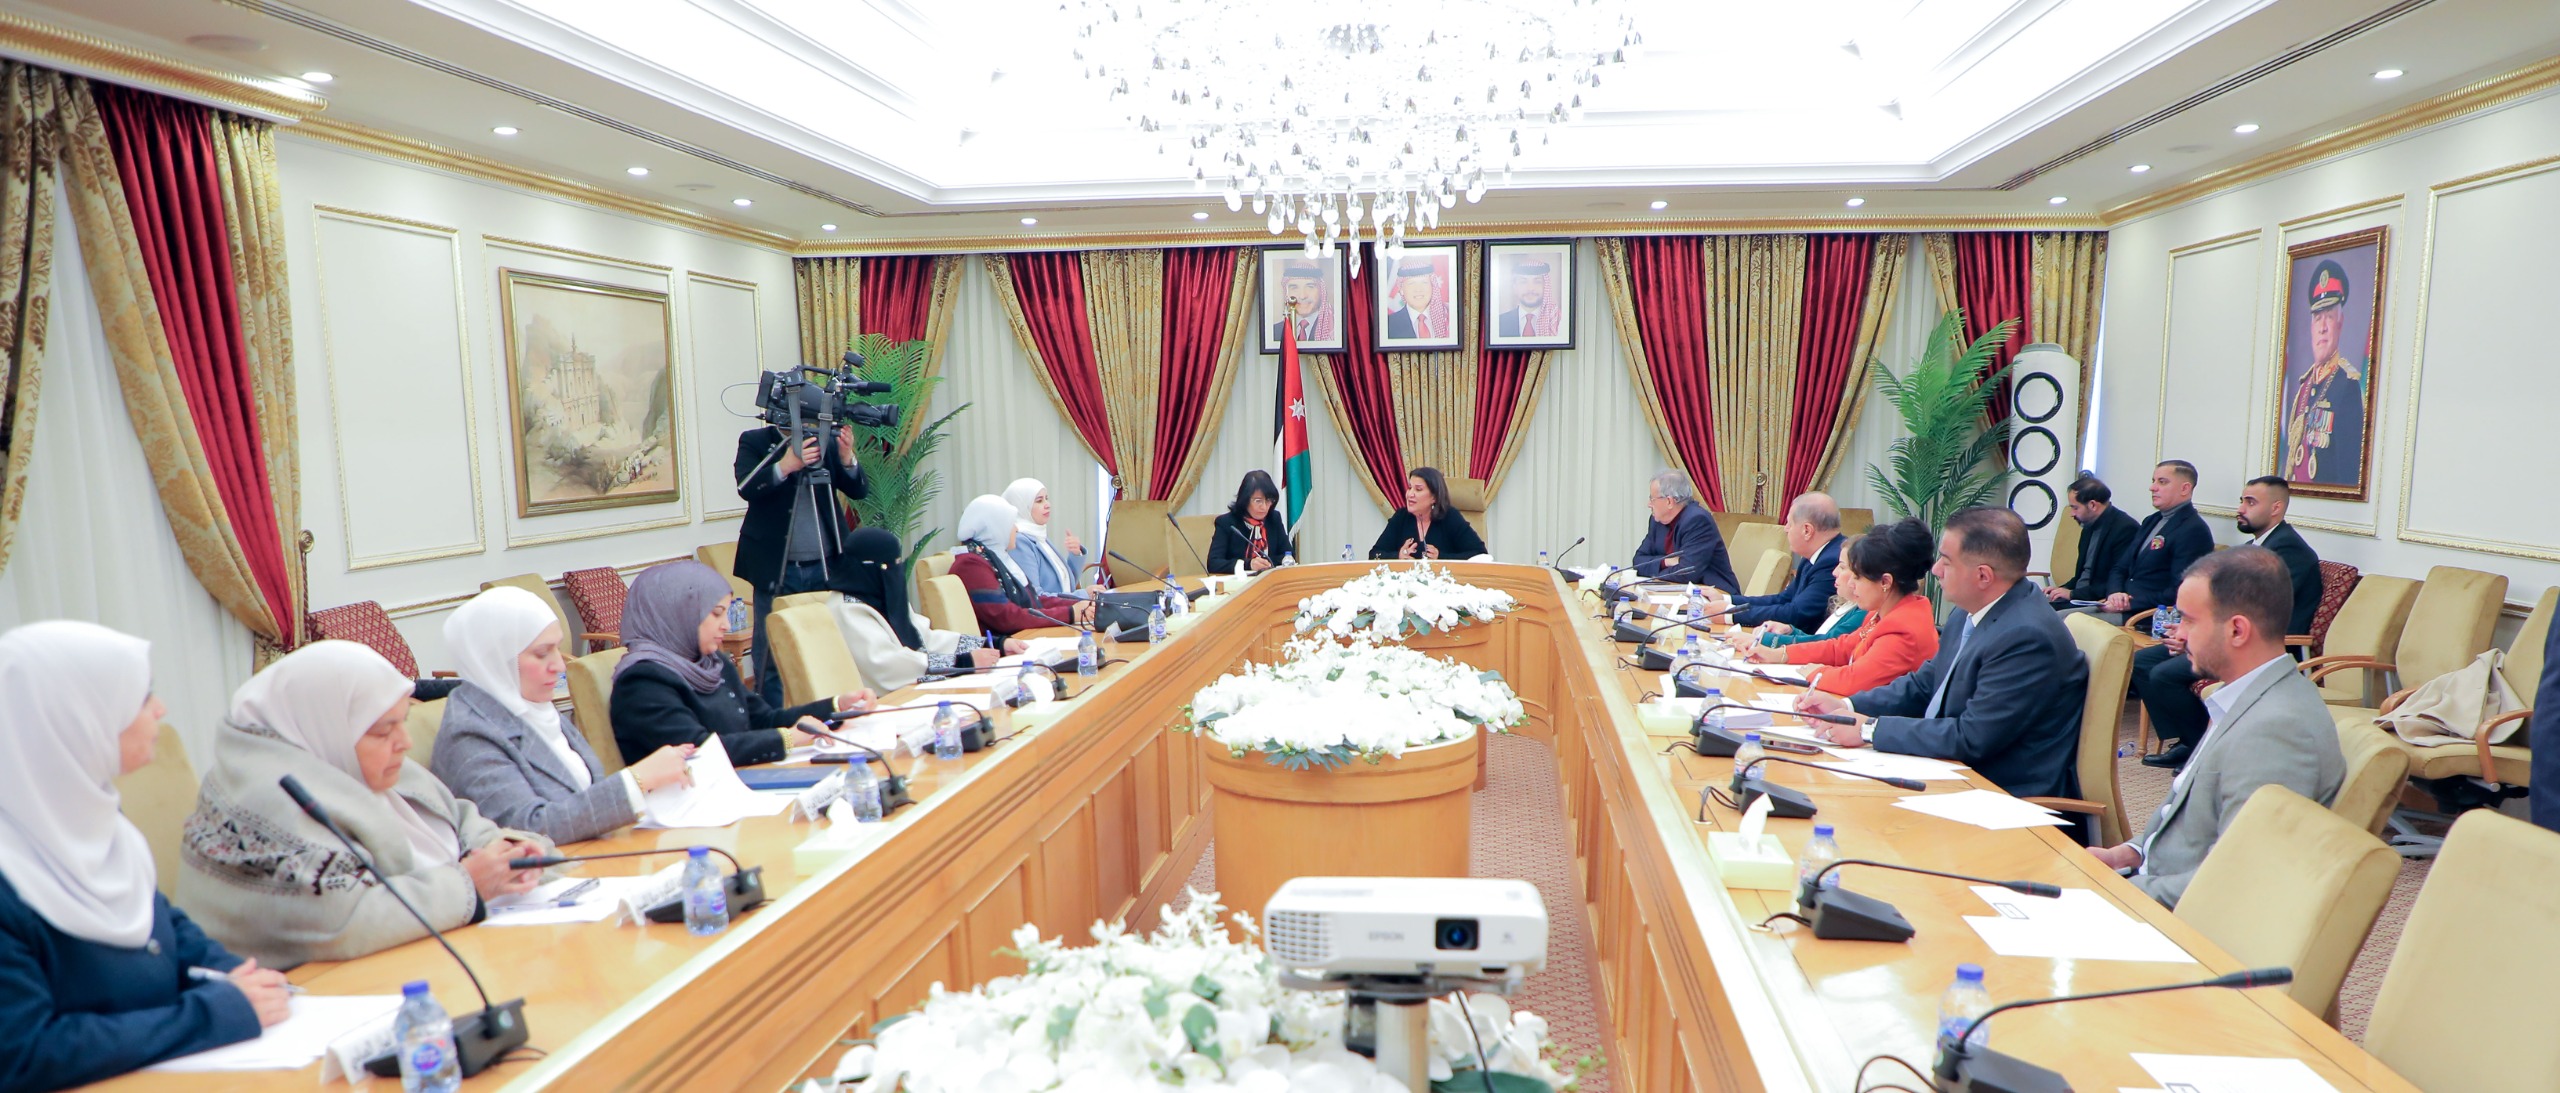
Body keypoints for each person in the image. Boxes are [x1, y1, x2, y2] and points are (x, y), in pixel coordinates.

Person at [0, 622, 293, 1091]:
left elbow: (164, 929)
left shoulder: (94, 821)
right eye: (142, 697)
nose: (161, 709)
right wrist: (213, 1014)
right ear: (74, 719)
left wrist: (237, 977)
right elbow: (25, 1054)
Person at [179, 641, 549, 968]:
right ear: (326, 725)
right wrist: (469, 884)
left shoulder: (353, 761)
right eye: (384, 730)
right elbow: (341, 922)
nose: (404, 741)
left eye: (402, 722)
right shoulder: (269, 799)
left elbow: (458, 818)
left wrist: (506, 852)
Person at [2091, 547, 2345, 908]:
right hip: (2150, 884)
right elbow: (2187, 815)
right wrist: (2128, 853)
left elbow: (2235, 878)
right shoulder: (2244, 696)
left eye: (2188, 620)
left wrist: (2112, 893)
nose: (2178, 633)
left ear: (2237, 630)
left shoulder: (2277, 729)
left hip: (2177, 922)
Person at [1799, 507, 2090, 800]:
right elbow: (1925, 684)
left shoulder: (2027, 636)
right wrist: (1846, 706)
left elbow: (1972, 736)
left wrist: (1870, 730)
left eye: (1946, 561)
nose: (1935, 569)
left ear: (1983, 576)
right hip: (1952, 770)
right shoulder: (1967, 613)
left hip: (2000, 793)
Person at [429, 587, 696, 845]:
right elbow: (528, 829)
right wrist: (635, 782)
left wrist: (652, 785)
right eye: (542, 653)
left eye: (557, 648)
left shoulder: (529, 705)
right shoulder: (468, 733)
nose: (559, 665)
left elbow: (584, 793)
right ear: (495, 659)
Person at [2137, 476, 2324, 770]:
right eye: (2241, 500)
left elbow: (2253, 611)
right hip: (2233, 635)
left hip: (2262, 646)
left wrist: (2197, 639)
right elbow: (2225, 604)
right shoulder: (2256, 546)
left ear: (2276, 508)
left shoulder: (2290, 553)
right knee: (2144, 661)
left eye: (2250, 502)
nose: (2240, 508)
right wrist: (2190, 631)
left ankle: (2204, 750)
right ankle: (2188, 740)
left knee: (2164, 674)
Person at [610, 561, 872, 769]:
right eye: (716, 614)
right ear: (677, 614)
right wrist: (788, 739)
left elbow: (763, 719)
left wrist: (837, 707)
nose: (726, 625)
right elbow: (699, 751)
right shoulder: (642, 682)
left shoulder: (711, 663)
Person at [731, 402, 871, 705]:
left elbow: (859, 490)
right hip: (776, 567)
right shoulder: (756, 441)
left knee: (829, 641)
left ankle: (833, 707)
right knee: (772, 649)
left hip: (827, 565)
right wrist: (786, 465)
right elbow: (746, 487)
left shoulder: (824, 442)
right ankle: (772, 717)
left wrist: (847, 458)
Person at [1746, 518, 1940, 696]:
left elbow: (1854, 681)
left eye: (1857, 577)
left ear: (1885, 582)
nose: (1852, 584)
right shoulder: (1884, 613)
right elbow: (1840, 648)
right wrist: (1781, 654)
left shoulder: (1903, 630)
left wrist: (1815, 673)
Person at [831, 527, 1021, 693]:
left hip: (915, 691)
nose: (895, 571)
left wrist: (993, 644)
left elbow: (925, 638)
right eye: (889, 565)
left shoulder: (883, 593)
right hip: (884, 702)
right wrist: (962, 663)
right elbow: (886, 665)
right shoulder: (846, 609)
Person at [951, 495, 1100, 637]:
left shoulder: (992, 557)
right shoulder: (971, 565)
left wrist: (1080, 605)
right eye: (1011, 524)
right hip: (1002, 646)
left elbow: (1035, 600)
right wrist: (1070, 613)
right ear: (995, 528)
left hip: (1019, 638)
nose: (1016, 529)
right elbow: (1007, 617)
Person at [2281, 259, 2368, 488]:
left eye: (2329, 316)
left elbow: (2348, 473)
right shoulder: (2304, 386)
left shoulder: (2347, 386)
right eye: (2317, 318)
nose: (2322, 327)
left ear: (2340, 323)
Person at [1708, 492, 1843, 632]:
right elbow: (1784, 599)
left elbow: (1796, 613)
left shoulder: (1833, 561)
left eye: (1789, 523)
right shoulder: (1818, 554)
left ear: (1807, 530)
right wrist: (1726, 600)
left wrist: (1731, 614)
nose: (1785, 529)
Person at [2107, 460, 2213, 619]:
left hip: (2148, 615)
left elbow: (2180, 590)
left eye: (2162, 482)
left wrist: (2130, 604)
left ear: (2184, 489)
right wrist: (2115, 593)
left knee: (2072, 622)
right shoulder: (2151, 520)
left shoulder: (2193, 530)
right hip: (2119, 606)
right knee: (2069, 618)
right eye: (2153, 481)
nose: (2152, 487)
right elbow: (2120, 567)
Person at [1626, 469, 1739, 593]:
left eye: (1652, 499)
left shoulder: (1697, 520)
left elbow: (1687, 572)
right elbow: (1638, 561)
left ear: (1669, 501)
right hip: (1675, 592)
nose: (1649, 504)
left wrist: (1654, 573)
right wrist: (1666, 561)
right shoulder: (1657, 521)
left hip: (1714, 593)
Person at [2045, 475, 2139, 607]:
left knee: (2045, 614)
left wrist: (2072, 594)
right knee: (2034, 606)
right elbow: (2082, 576)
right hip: (2079, 596)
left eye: (2075, 508)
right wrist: (2060, 590)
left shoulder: (2125, 529)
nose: (2071, 514)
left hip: (2098, 601)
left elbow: (2116, 582)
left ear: (2092, 505)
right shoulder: (2088, 525)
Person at [1368, 467, 1487, 561]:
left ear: (1434, 497)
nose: (1410, 494)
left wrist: (1440, 557)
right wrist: (1398, 556)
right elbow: (1374, 555)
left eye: (1418, 489)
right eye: (1410, 488)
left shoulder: (1450, 517)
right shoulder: (1401, 517)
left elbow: (1479, 554)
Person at [1001, 478, 1087, 597]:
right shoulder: (1020, 542)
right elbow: (1036, 597)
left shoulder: (1038, 535)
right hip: (1054, 609)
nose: (1047, 505)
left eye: (1047, 498)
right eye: (1039, 501)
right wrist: (1084, 595)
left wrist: (1076, 554)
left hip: (1065, 607)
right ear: (1022, 506)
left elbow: (1066, 585)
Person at [1208, 470, 1293, 574]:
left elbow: (1288, 556)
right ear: (1245, 500)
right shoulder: (1227, 523)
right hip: (1238, 582)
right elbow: (1213, 563)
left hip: (1270, 580)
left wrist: (1265, 563)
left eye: (1268, 500)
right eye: (1258, 501)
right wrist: (1248, 564)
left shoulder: (1274, 518)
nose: (1264, 507)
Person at [1270, 259, 1331, 346]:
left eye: (1310, 287)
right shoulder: (1275, 331)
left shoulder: (1333, 330)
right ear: (1286, 293)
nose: (1302, 296)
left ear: (1321, 291)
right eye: (1294, 288)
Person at [1383, 258, 1446, 341]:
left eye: (1424, 282)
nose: (1418, 289)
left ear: (1432, 286)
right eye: (1411, 283)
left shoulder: (1448, 319)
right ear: (1401, 289)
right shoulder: (1388, 325)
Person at [1495, 258, 1560, 339]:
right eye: (1523, 282)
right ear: (1515, 287)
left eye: (1537, 282)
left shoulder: (1557, 321)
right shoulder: (1498, 323)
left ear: (1545, 286)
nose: (1530, 288)